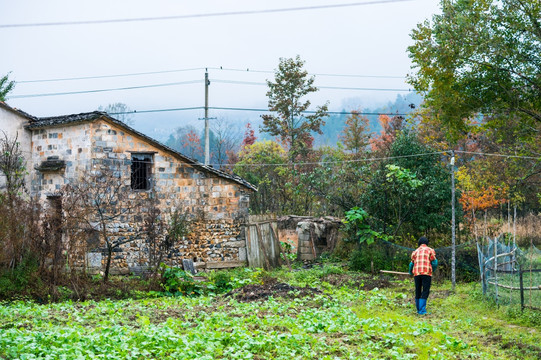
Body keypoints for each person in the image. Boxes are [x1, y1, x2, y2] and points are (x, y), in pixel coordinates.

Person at [408, 236, 437, 315]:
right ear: (427, 243)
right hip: (426, 273)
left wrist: (410, 272)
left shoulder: (415, 251)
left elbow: (411, 264)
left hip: (417, 273)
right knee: (425, 290)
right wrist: (432, 270)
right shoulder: (430, 250)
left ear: (419, 244)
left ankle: (418, 309)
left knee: (418, 289)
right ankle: (422, 311)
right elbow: (434, 262)